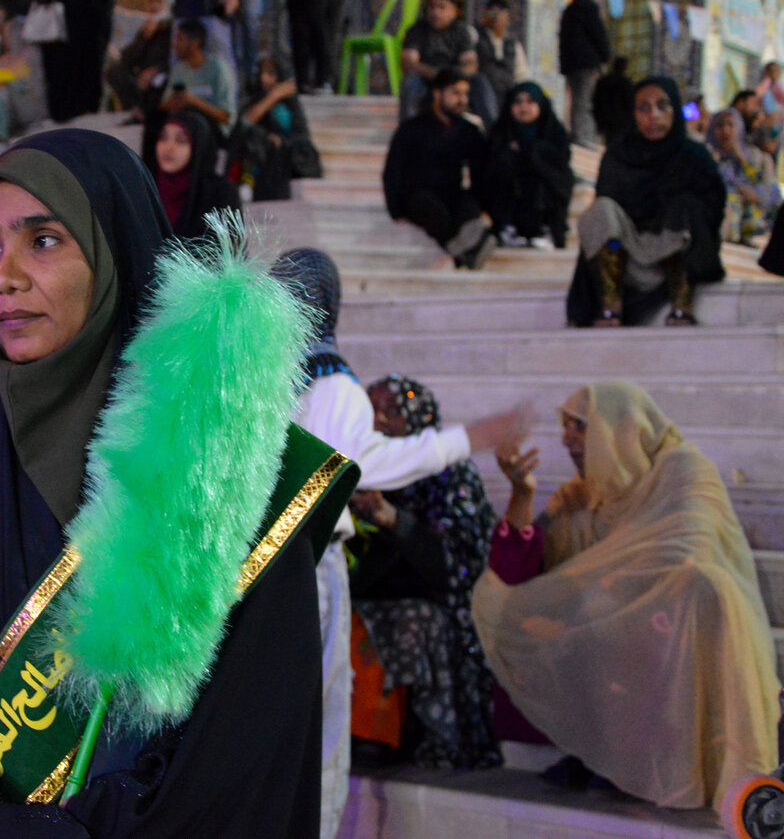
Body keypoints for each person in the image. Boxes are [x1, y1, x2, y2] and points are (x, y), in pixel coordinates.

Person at [0, 128, 358, 836]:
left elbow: (248, 753)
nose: (4, 276)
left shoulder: (224, 461)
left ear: (116, 253)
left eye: (43, 240)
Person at [271, 247, 528, 838]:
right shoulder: (333, 387)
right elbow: (365, 463)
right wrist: (470, 437)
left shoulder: (258, 383)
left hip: (259, 564)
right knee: (320, 715)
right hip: (308, 561)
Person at [474, 382, 778, 808]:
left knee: (694, 588)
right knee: (525, 608)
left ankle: (656, 761)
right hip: (610, 613)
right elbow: (514, 571)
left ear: (621, 427)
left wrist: (604, 594)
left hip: (673, 605)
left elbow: (686, 548)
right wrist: (522, 496)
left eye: (580, 427)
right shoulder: (581, 494)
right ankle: (603, 755)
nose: (566, 439)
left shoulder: (683, 469)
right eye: (565, 427)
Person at [347, 375, 501, 770]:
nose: (379, 420)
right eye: (372, 409)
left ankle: (394, 734)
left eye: (393, 410)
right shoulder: (362, 470)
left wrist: (394, 520)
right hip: (371, 593)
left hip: (440, 602)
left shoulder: (450, 474)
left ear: (420, 417)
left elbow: (455, 565)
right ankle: (350, 731)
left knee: (409, 619)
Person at [566, 77, 725, 327]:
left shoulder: (694, 156)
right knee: (601, 209)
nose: (653, 116)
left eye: (662, 106)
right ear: (633, 113)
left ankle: (681, 303)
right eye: (644, 108)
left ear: (675, 110)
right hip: (625, 257)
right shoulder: (619, 155)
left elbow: (712, 212)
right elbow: (607, 214)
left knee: (687, 204)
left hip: (678, 254)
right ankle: (610, 305)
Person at [383, 68, 497, 269]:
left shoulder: (469, 131)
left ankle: (462, 249)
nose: (462, 100)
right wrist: (397, 213)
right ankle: (468, 250)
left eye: (465, 94)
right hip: (419, 196)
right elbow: (392, 172)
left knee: (469, 207)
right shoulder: (412, 129)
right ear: (437, 94)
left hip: (451, 193)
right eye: (455, 93)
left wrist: (482, 207)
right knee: (435, 213)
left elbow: (479, 172)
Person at [483, 82, 573, 250]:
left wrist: (529, 150)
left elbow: (561, 165)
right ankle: (507, 227)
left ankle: (544, 230)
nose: (523, 107)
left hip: (544, 200)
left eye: (530, 101)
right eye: (518, 102)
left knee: (541, 172)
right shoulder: (501, 131)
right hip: (511, 199)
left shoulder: (554, 132)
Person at [399, 0, 497, 128]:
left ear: (453, 10)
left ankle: (494, 133)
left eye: (442, 7)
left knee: (480, 82)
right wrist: (435, 74)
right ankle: (407, 132)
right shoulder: (416, 31)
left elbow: (471, 63)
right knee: (411, 81)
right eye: (432, 6)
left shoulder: (461, 31)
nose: (435, 12)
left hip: (456, 82)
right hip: (427, 81)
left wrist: (453, 78)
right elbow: (409, 63)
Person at [232, 56, 319, 201]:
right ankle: (246, 182)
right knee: (254, 136)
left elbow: (301, 136)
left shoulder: (291, 105)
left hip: (289, 158)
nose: (263, 78)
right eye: (261, 73)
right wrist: (273, 96)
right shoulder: (257, 98)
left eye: (270, 73)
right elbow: (246, 122)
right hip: (261, 153)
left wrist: (282, 140)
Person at [153, 111, 241, 240]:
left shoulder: (222, 193)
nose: (168, 148)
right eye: (163, 138)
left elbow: (229, 246)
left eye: (181, 140)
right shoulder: (146, 189)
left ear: (198, 146)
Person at [37, 0, 115, 122]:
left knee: (87, 71)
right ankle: (61, 114)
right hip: (60, 28)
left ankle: (85, 111)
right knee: (59, 72)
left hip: (90, 29)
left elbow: (103, 0)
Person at [706, 108, 780, 246]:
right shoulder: (705, 155)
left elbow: (773, 194)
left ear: (739, 128)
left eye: (730, 125)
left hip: (755, 227)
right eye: (720, 125)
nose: (725, 130)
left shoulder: (758, 157)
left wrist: (754, 193)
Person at [157, 18, 238, 141]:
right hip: (183, 126)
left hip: (213, 132)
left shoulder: (218, 68)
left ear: (195, 43)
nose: (175, 44)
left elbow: (227, 117)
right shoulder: (179, 69)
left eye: (180, 39)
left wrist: (194, 102)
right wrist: (175, 101)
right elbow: (163, 106)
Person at [104, 0, 173, 124]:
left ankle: (151, 113)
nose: (154, 6)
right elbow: (126, 60)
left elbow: (176, 58)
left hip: (164, 75)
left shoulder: (172, 29)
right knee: (115, 70)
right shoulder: (145, 30)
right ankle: (135, 111)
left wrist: (156, 70)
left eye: (158, 1)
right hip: (142, 78)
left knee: (159, 81)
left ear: (168, 5)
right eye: (151, 2)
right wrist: (144, 38)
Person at [558, 0, 610, 146]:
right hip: (586, 63)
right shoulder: (589, 8)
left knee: (576, 99)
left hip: (572, 64)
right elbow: (598, 34)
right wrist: (605, 55)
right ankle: (580, 136)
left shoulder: (569, 10)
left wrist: (564, 64)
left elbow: (563, 39)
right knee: (584, 100)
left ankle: (577, 133)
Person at [475, 0, 529, 105]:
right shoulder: (476, 38)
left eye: (500, 12)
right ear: (485, 15)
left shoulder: (514, 45)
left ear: (507, 16)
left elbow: (521, 77)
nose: (496, 16)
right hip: (481, 96)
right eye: (492, 12)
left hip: (507, 99)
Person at [592, 56, 633, 147]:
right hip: (620, 122)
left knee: (610, 142)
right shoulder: (626, 84)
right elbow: (630, 104)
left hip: (605, 119)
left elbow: (596, 100)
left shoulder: (603, 81)